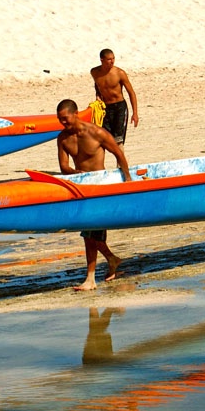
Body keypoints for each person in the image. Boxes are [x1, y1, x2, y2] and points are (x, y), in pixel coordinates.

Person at [57, 98, 132, 291]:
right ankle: (110, 261)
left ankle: (92, 277)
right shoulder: (63, 138)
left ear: (75, 114)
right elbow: (64, 166)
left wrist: (128, 181)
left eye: (65, 119)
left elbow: (118, 153)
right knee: (89, 234)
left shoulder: (96, 133)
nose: (63, 123)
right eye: (60, 120)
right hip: (81, 188)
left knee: (91, 233)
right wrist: (75, 174)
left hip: (100, 187)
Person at [90, 49, 138, 153]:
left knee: (118, 140)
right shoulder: (94, 72)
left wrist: (135, 113)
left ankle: (120, 165)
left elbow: (131, 93)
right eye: (109, 59)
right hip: (105, 108)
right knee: (102, 139)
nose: (112, 61)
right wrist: (98, 96)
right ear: (102, 60)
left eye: (113, 58)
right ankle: (100, 167)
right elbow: (98, 85)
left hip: (119, 108)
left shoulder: (120, 73)